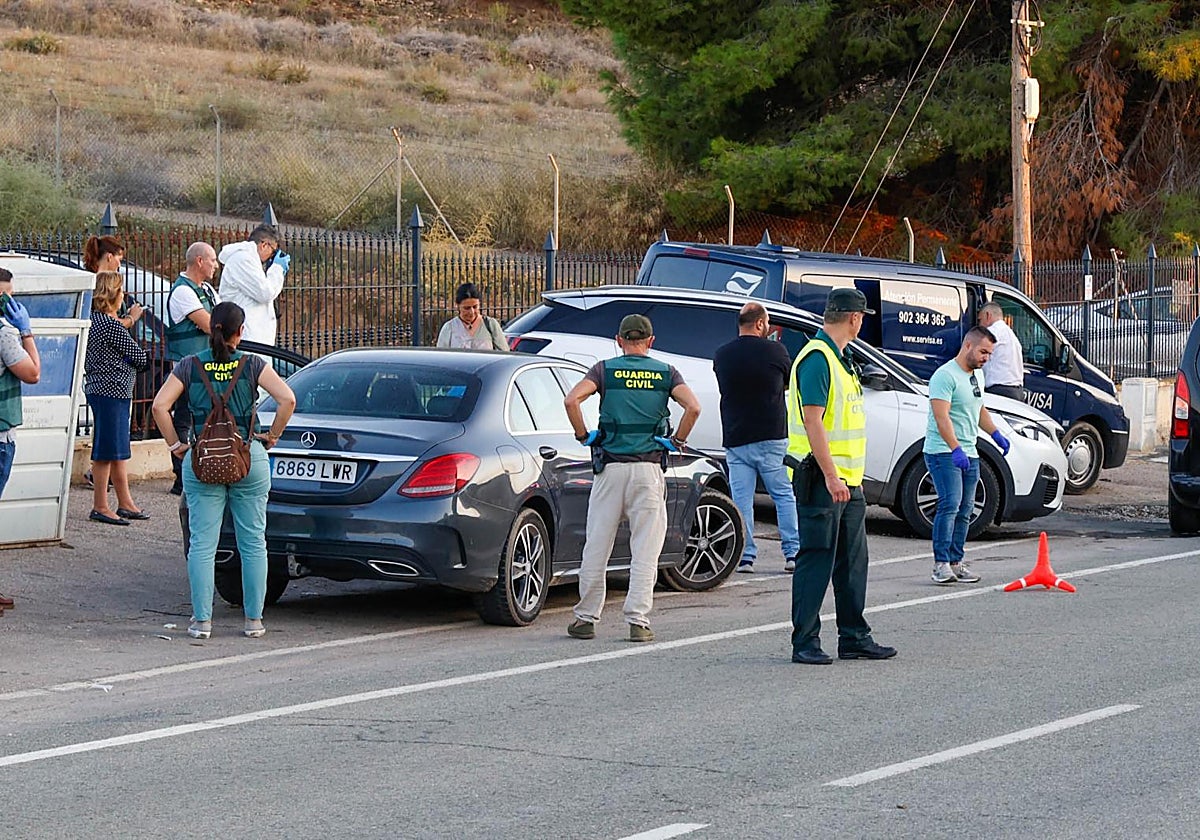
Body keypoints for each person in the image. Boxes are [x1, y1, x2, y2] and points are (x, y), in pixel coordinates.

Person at [152, 302, 296, 639]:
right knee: (252, 542)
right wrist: (272, 436)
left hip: (203, 459)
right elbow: (287, 399)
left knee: (203, 543)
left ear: (210, 328)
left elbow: (160, 406)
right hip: (248, 456)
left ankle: (202, 622)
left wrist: (175, 445)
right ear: (240, 331)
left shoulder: (189, 365)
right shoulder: (252, 364)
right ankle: (254, 621)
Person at [564, 313, 700, 642]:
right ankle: (638, 621)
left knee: (597, 543)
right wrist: (678, 440)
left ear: (619, 339)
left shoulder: (604, 369)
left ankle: (585, 618)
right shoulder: (667, 373)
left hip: (610, 468)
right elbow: (693, 408)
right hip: (648, 470)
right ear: (651, 342)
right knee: (645, 548)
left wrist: (584, 435)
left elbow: (571, 400)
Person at [789, 288, 895, 665]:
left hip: (847, 479)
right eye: (862, 316)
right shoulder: (818, 359)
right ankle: (805, 641)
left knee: (853, 562)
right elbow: (813, 420)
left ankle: (854, 637)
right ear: (853, 318)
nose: (862, 321)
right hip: (821, 477)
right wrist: (832, 476)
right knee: (817, 558)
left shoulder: (840, 359)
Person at [713, 301, 800, 574]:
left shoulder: (722, 354)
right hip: (771, 434)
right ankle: (792, 553)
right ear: (760, 324)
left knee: (742, 499)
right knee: (783, 495)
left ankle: (745, 556)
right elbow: (787, 382)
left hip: (736, 436)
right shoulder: (776, 350)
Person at [924, 326, 1011, 585]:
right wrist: (955, 449)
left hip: (969, 451)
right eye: (983, 351)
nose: (986, 358)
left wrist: (995, 433)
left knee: (966, 509)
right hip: (943, 451)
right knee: (950, 504)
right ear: (968, 346)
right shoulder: (945, 376)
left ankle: (956, 562)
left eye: (990, 354)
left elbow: (978, 407)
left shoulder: (976, 376)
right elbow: (941, 418)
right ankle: (940, 565)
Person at [84, 271, 149, 526]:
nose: (123, 296)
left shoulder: (94, 320)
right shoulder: (110, 325)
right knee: (106, 450)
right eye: (121, 291)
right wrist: (125, 359)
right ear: (113, 294)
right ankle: (100, 505)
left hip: (105, 389)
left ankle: (125, 501)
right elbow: (141, 358)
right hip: (111, 391)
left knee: (118, 449)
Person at [0, 268, 41, 616]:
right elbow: (33, 373)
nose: (10, 302)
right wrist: (26, 331)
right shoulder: (4, 334)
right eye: (5, 296)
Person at [165, 242, 221, 495]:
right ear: (199, 261)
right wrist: (211, 324)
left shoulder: (206, 290)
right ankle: (181, 475)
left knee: (206, 418)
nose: (216, 266)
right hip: (187, 369)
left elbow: (221, 320)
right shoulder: (182, 292)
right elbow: (213, 325)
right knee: (185, 417)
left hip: (207, 366)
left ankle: (203, 466)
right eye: (212, 260)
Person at [217, 224, 288, 347]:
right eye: (273, 251)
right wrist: (277, 268)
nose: (272, 256)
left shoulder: (250, 260)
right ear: (264, 245)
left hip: (255, 336)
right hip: (248, 337)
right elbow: (266, 293)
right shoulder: (242, 260)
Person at [437, 282, 508, 350]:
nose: (471, 312)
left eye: (475, 307)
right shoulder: (449, 328)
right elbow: (441, 357)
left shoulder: (491, 325)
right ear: (458, 306)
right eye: (467, 308)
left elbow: (504, 353)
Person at [977, 302, 1025, 402]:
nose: (979, 324)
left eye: (980, 320)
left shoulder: (991, 332)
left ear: (988, 315)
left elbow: (977, 356)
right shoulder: (1011, 335)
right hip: (1017, 391)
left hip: (999, 392)